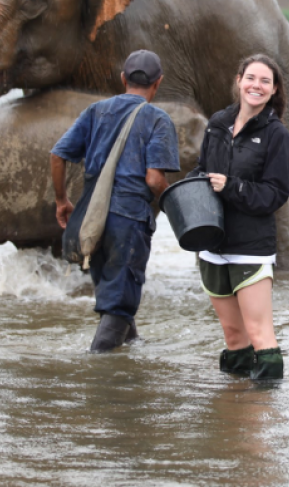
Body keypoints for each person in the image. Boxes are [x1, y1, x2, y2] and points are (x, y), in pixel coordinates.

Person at [51, 50, 180, 352]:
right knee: (119, 304)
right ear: (158, 83)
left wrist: (62, 201)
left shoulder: (96, 111)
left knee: (113, 292)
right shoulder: (158, 120)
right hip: (129, 221)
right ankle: (99, 378)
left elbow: (57, 155)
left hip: (91, 220)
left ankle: (131, 350)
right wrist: (177, 204)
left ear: (123, 79)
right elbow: (153, 179)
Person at [189, 54, 289, 380]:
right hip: (212, 245)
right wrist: (189, 191)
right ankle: (234, 409)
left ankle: (265, 413)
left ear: (274, 89)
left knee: (261, 334)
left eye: (265, 81)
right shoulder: (218, 122)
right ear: (238, 80)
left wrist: (230, 186)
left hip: (250, 247)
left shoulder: (277, 136)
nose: (256, 86)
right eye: (251, 78)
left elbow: (275, 194)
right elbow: (202, 169)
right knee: (234, 338)